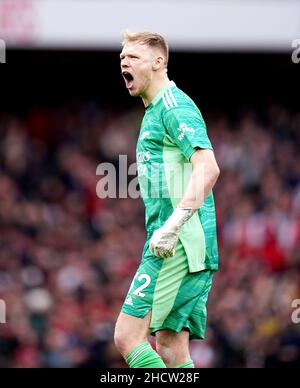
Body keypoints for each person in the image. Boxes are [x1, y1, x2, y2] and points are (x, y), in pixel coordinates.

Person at [114, 30, 220, 368]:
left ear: (159, 62)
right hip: (182, 242)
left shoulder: (174, 107)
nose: (123, 62)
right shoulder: (153, 112)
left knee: (127, 336)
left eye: (133, 57)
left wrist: (173, 226)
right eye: (121, 58)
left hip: (178, 243)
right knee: (172, 349)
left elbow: (209, 168)